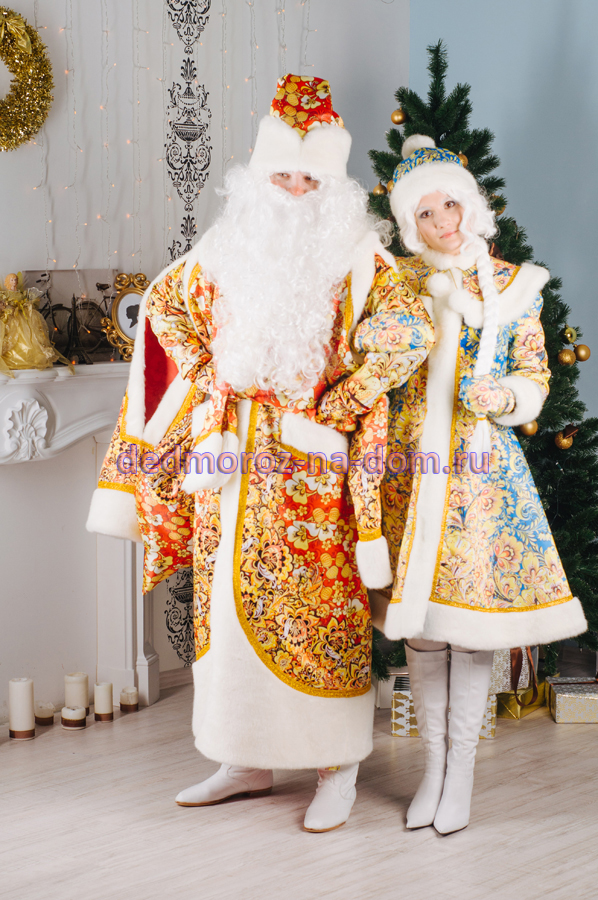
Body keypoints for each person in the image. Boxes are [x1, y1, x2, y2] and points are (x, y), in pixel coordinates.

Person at [87, 77, 433, 832]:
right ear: (258, 177)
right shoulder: (224, 247)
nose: (298, 191)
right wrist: (207, 376)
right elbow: (166, 309)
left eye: (312, 179)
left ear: (334, 187)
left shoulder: (361, 256)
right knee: (223, 614)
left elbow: (408, 330)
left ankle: (336, 767)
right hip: (227, 460)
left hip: (314, 470)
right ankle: (242, 757)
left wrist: (345, 401)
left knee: (320, 612)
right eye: (284, 176)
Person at [371, 135, 587, 835]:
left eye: (450, 205)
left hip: (479, 473)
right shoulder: (397, 281)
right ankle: (432, 767)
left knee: (470, 624)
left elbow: (535, 374)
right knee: (423, 628)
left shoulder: (515, 284)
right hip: (410, 468)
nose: (443, 222)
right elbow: (373, 358)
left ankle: (460, 771)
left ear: (471, 205)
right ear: (411, 224)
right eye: (426, 213)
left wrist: (508, 396)